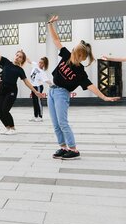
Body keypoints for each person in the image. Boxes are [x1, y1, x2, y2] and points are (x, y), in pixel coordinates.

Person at [46, 15, 120, 160]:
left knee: (62, 122)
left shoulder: (80, 72)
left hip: (61, 93)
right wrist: (50, 24)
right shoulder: (66, 55)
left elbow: (90, 85)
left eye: (78, 55)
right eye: (74, 52)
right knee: (55, 123)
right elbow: (56, 40)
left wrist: (104, 97)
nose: (74, 55)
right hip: (52, 91)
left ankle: (73, 150)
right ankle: (63, 147)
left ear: (82, 57)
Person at [0, 38, 45, 135]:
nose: (18, 57)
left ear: (22, 60)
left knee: (5, 110)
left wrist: (35, 92)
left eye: (20, 57)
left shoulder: (20, 70)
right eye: (17, 55)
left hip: (12, 91)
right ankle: (7, 127)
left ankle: (13, 129)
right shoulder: (6, 62)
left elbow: (26, 82)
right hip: (3, 90)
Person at [28, 57, 50, 122]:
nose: (39, 64)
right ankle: (35, 116)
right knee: (34, 102)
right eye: (39, 62)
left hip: (38, 87)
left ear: (44, 65)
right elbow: (28, 60)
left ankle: (40, 116)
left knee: (38, 101)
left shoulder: (42, 72)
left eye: (41, 63)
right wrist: (23, 53)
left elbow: (47, 81)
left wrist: (53, 85)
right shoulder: (35, 65)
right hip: (33, 87)